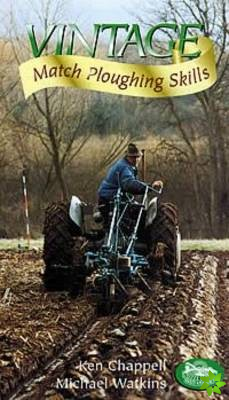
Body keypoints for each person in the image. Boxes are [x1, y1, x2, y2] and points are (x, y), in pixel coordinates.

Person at [97, 143, 163, 225]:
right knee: (141, 217)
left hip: (109, 199)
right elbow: (129, 184)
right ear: (127, 156)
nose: (135, 160)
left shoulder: (127, 166)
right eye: (132, 157)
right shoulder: (124, 167)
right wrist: (150, 186)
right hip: (111, 200)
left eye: (137, 157)